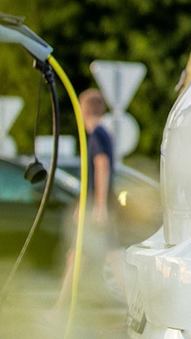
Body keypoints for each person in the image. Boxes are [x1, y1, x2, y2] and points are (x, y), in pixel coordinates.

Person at [55, 87, 115, 309]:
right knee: (89, 255)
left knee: (86, 255)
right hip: (93, 205)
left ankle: (60, 310)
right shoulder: (103, 133)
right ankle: (61, 308)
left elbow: (101, 166)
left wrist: (98, 207)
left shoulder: (97, 133)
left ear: (85, 109)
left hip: (95, 207)